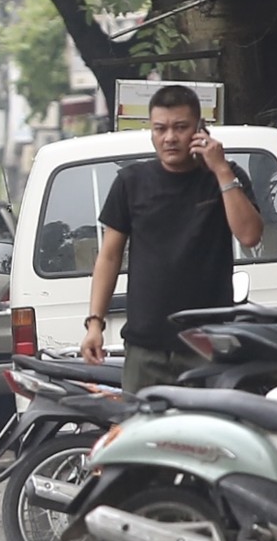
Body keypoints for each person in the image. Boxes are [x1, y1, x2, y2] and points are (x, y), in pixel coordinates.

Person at [80, 84, 265, 390]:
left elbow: (249, 235)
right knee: (141, 436)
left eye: (180, 127)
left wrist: (219, 169)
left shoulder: (225, 177)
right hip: (145, 348)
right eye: (160, 128)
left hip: (207, 345)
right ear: (151, 131)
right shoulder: (131, 182)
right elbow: (109, 257)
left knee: (207, 437)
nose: (169, 137)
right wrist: (95, 323)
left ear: (199, 129)